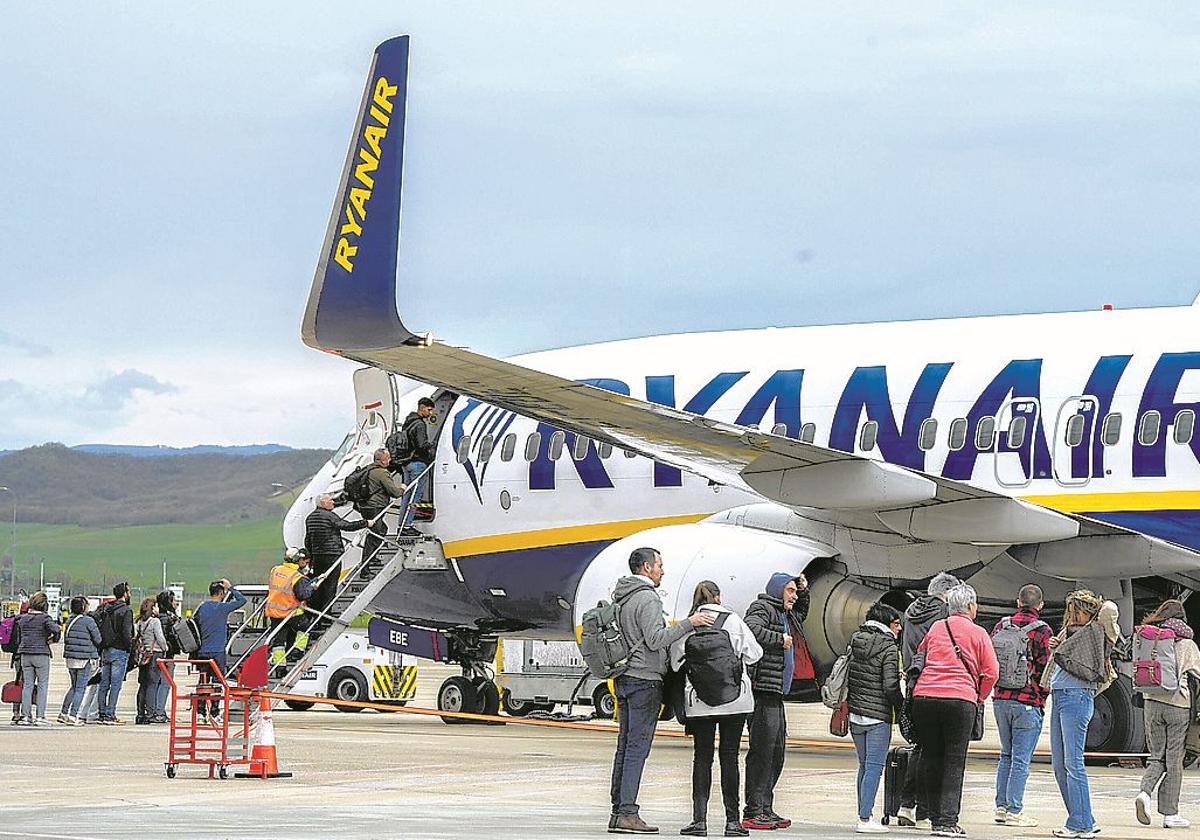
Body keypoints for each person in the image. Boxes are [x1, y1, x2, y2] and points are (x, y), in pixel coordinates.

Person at [608, 547, 714, 834]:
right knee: (637, 749)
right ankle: (628, 812)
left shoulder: (623, 596)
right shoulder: (648, 599)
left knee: (625, 746)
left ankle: (618, 810)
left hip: (625, 677)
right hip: (645, 679)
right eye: (659, 565)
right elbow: (656, 640)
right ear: (646, 568)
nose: (662, 571)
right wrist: (689, 624)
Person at [669, 581, 763, 838]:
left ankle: (699, 821)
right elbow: (755, 653)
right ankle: (732, 822)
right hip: (735, 700)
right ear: (718, 598)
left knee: (702, 757)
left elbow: (676, 662)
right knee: (729, 756)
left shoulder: (691, 623)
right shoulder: (733, 620)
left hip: (700, 702)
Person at [910, 583, 999, 838]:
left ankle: (933, 816)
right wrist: (978, 697)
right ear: (971, 607)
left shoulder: (938, 627)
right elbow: (991, 671)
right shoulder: (979, 633)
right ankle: (948, 822)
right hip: (959, 699)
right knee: (953, 761)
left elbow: (921, 654)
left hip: (925, 697)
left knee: (931, 757)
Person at [1041, 589, 1110, 839]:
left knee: (1073, 762)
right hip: (1061, 694)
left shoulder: (1094, 631)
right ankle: (1082, 817)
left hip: (1076, 696)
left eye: (1075, 610)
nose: (1070, 615)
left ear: (1087, 612)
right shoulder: (1070, 634)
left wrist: (1095, 606)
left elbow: (1110, 611)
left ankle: (1080, 823)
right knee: (1060, 765)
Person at [742, 571, 808, 831]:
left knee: (776, 753)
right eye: (790, 590)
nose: (794, 596)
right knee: (762, 752)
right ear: (778, 590)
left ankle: (765, 807)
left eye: (795, 592)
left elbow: (801, 612)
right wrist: (778, 639)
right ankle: (753, 810)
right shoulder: (763, 607)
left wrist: (804, 589)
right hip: (763, 693)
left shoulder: (784, 613)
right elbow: (751, 629)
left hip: (776, 693)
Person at [896, 571, 961, 830]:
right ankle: (922, 809)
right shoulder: (942, 616)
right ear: (947, 595)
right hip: (936, 685)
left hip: (914, 683)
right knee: (934, 752)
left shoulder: (912, 611)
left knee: (921, 748)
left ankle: (907, 804)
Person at [1133, 598, 1200, 829]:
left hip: (1151, 702)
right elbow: (1197, 673)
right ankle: (1170, 814)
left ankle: (1144, 792)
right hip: (1178, 704)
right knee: (1174, 760)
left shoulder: (1148, 638)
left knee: (1155, 755)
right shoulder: (1187, 643)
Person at [990, 584, 1052, 828]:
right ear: (1041, 605)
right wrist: (1042, 696)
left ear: (1018, 602)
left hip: (1000, 699)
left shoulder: (1001, 625)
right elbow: (1046, 668)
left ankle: (1001, 807)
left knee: (1006, 755)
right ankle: (1015, 809)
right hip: (1027, 701)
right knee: (1020, 759)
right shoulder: (1042, 630)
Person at [847, 601, 904, 834]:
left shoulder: (856, 640)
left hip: (855, 715)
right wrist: (902, 707)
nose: (900, 629)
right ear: (887, 623)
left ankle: (864, 812)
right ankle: (865, 817)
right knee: (874, 767)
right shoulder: (889, 647)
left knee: (864, 766)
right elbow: (890, 686)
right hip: (878, 716)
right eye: (897, 624)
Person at [194, 578, 248, 723]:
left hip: (203, 651)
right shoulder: (222, 608)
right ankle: (214, 711)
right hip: (217, 651)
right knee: (218, 683)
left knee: (203, 682)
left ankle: (200, 712)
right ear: (221, 593)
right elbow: (242, 601)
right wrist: (231, 588)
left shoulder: (202, 607)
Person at [305, 493, 368, 615]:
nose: (333, 502)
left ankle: (315, 614)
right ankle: (326, 614)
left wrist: (312, 556)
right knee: (330, 585)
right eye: (330, 500)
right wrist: (365, 523)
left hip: (317, 556)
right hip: (332, 555)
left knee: (319, 585)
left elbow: (307, 540)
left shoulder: (310, 518)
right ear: (323, 503)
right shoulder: (329, 516)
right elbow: (346, 526)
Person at [11, 591, 61, 726]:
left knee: (27, 685)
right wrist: (53, 640)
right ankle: (40, 716)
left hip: (25, 654)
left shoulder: (23, 619)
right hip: (41, 654)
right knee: (42, 685)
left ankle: (25, 716)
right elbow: (56, 629)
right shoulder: (45, 618)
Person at [58, 596, 101, 725]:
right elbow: (98, 639)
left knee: (74, 686)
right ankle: (73, 715)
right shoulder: (89, 621)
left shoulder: (69, 619)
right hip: (84, 658)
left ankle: (64, 712)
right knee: (80, 688)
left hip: (70, 658)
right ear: (83, 607)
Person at [359, 449, 407, 564]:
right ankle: (366, 566)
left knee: (381, 530)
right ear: (382, 461)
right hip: (375, 506)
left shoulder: (368, 469)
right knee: (376, 534)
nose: (390, 460)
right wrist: (402, 489)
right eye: (388, 458)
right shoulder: (382, 473)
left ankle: (372, 558)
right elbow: (394, 492)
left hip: (365, 506)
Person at [265, 549, 315, 658]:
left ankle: (279, 667)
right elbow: (303, 595)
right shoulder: (297, 577)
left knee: (279, 642)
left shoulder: (275, 570)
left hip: (274, 612)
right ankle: (298, 650)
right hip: (290, 611)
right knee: (306, 627)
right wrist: (311, 588)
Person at [96, 582, 133, 726]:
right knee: (115, 684)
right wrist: (129, 647)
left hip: (106, 649)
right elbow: (126, 632)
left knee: (104, 683)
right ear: (125, 593)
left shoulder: (107, 608)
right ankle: (110, 714)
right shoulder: (126, 610)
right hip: (119, 649)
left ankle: (102, 712)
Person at [387, 397, 437, 500]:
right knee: (415, 497)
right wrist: (432, 445)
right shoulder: (420, 424)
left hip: (406, 464)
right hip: (417, 464)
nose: (431, 413)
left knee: (406, 496)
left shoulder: (408, 422)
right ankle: (409, 516)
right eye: (429, 410)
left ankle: (403, 516)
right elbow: (421, 445)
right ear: (422, 408)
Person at [133, 596, 169, 725]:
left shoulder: (140, 622)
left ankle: (140, 713)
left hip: (144, 656)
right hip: (155, 654)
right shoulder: (155, 622)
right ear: (153, 608)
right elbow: (160, 638)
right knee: (153, 684)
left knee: (143, 684)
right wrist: (166, 648)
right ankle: (151, 712)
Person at [155, 590, 181, 720]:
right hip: (167, 656)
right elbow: (168, 638)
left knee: (156, 683)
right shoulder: (169, 619)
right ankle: (159, 711)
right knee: (165, 684)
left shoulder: (157, 618)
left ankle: (155, 710)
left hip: (158, 655)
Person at [4, 601, 29, 724]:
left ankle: (16, 713)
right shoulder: (28, 621)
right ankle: (26, 712)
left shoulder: (16, 620)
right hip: (28, 654)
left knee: (18, 683)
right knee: (28, 684)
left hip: (17, 657)